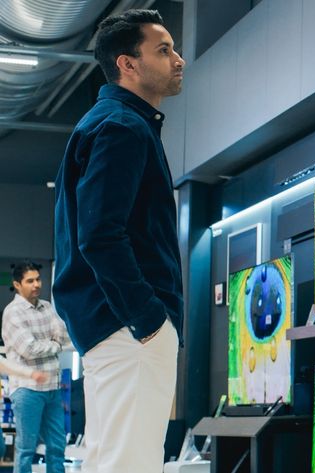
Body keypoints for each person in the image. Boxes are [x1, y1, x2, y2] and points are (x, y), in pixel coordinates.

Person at [52, 9, 185, 473]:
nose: (179, 60)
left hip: (114, 326)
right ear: (128, 64)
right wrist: (148, 318)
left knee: (114, 460)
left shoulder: (112, 122)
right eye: (163, 50)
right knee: (129, 463)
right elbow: (100, 235)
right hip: (128, 327)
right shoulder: (122, 127)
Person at [2, 261, 71, 473]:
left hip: (52, 387)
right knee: (26, 448)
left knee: (57, 446)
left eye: (38, 279)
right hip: (27, 389)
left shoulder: (47, 307)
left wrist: (54, 343)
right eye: (30, 281)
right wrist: (54, 344)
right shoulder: (12, 313)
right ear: (17, 284)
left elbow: (65, 337)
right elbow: (28, 349)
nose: (36, 284)